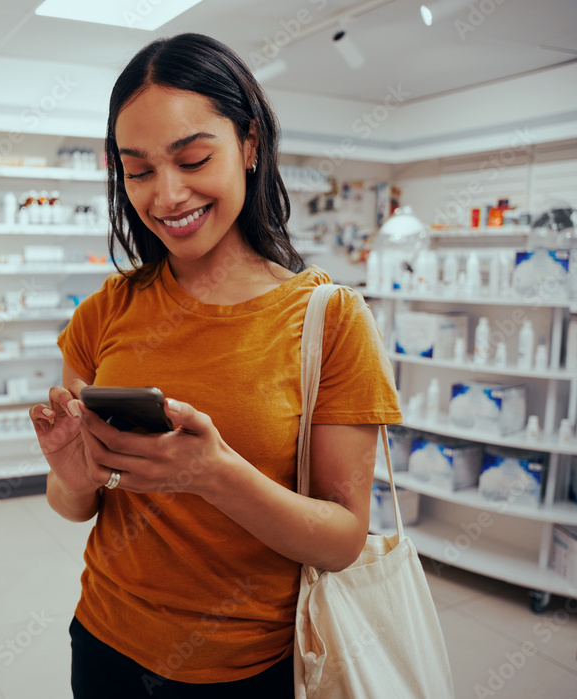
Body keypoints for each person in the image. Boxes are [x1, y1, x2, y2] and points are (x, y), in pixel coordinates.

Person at [29, 33, 401, 698]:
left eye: (193, 158)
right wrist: (73, 472)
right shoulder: (104, 312)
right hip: (103, 640)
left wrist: (216, 474)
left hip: (247, 670)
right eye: (138, 171)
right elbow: (72, 505)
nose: (167, 196)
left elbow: (344, 536)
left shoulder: (330, 319)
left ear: (250, 144)